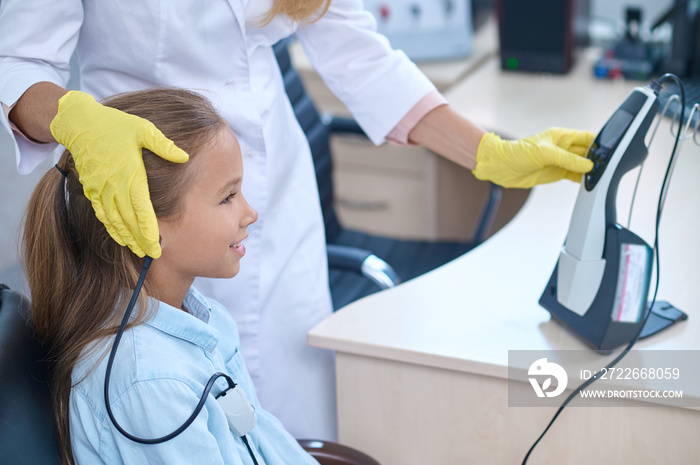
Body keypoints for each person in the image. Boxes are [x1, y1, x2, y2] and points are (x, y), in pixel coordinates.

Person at [0, 0, 594, 440]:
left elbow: (358, 54)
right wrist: (76, 120)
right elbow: (16, 64)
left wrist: (487, 153)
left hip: (274, 202)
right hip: (145, 199)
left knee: (291, 422)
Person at [23, 87, 320, 465]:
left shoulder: (208, 321)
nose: (250, 214)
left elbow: (263, 442)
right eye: (228, 197)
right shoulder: (150, 380)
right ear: (144, 223)